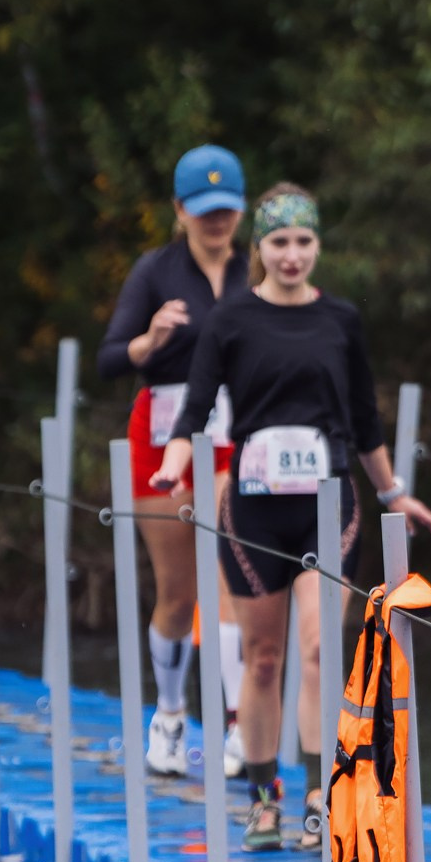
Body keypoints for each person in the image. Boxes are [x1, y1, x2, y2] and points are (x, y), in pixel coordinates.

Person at [154, 184, 431, 850]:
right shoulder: (229, 321)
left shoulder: (340, 319)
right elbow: (195, 407)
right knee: (262, 658)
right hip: (254, 513)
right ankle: (263, 800)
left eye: (303, 242)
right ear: (260, 248)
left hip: (328, 502)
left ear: (317, 247)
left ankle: (318, 795)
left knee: (320, 651)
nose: (292, 255)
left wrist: (393, 492)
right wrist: (174, 463)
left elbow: (365, 419)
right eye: (279, 243)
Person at [97, 145, 250, 778]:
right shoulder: (155, 271)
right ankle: (168, 714)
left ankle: (240, 724)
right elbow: (108, 358)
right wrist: (152, 339)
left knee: (228, 582)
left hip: (235, 432)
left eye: (227, 210)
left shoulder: (256, 272)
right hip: (162, 430)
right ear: (180, 210)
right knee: (176, 589)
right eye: (204, 211)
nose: (216, 222)